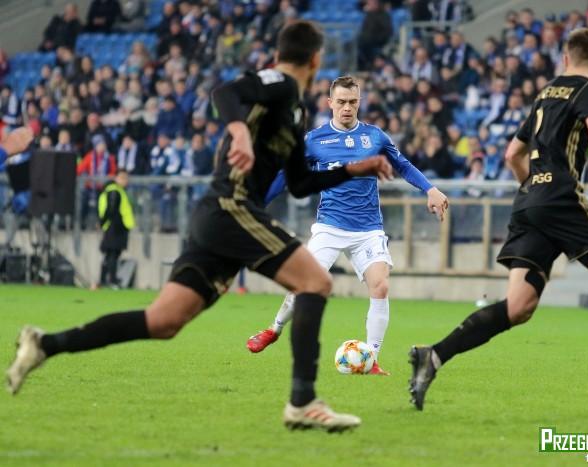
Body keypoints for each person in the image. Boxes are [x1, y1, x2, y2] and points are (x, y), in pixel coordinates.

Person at [6, 21, 393, 433]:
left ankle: (45, 344)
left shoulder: (294, 112)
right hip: (231, 208)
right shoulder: (278, 83)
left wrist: (353, 169)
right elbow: (224, 93)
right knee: (315, 282)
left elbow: (299, 184)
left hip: (217, 218)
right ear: (315, 60)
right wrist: (239, 132)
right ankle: (302, 402)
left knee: (163, 321)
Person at [407, 28, 588, 411]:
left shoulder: (545, 93)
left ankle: (435, 355)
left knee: (518, 307)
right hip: (562, 198)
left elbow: (512, 154)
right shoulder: (587, 90)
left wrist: (534, 189)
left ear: (564, 58)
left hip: (529, 200)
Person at [246, 76, 449, 375]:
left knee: (381, 286)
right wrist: (257, 202)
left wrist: (430, 189)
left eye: (352, 102)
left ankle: (371, 358)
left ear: (359, 102)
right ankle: (273, 329)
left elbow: (402, 164)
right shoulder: (313, 141)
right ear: (330, 103)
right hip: (329, 227)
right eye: (341, 102)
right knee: (305, 285)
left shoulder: (374, 137)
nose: (347, 108)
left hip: (368, 229)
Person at [98, 170, 134, 288]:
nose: (125, 181)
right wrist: (103, 222)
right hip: (115, 227)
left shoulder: (117, 191)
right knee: (112, 254)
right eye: (122, 178)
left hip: (116, 227)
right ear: (116, 178)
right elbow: (111, 209)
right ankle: (111, 279)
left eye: (126, 178)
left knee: (111, 254)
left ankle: (104, 279)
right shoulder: (114, 191)